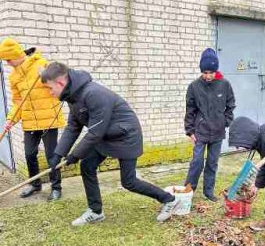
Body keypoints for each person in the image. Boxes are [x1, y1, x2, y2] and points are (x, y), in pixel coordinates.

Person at [40, 62, 181, 225]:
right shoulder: (72, 96)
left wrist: (74, 155)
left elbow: (94, 133)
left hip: (126, 136)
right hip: (107, 136)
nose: (50, 93)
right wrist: (58, 154)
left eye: (50, 88)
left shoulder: (93, 94)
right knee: (87, 166)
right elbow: (73, 126)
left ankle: (170, 200)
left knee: (129, 182)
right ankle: (95, 211)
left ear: (60, 83)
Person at [0, 37, 66, 200]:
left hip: (48, 118)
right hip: (29, 121)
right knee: (29, 154)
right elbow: (17, 102)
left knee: (52, 155)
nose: (7, 63)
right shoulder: (14, 77)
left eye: (8, 59)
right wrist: (11, 119)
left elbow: (60, 84)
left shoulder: (41, 64)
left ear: (16, 55)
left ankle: (56, 187)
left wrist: (45, 75)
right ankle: (35, 184)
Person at [184, 48, 236, 201]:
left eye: (211, 72)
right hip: (200, 131)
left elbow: (231, 105)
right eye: (205, 72)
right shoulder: (194, 87)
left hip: (218, 132)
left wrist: (225, 122)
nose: (207, 76)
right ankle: (188, 191)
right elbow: (190, 110)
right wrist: (190, 130)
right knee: (197, 162)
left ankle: (208, 191)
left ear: (216, 70)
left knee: (212, 163)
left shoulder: (225, 85)